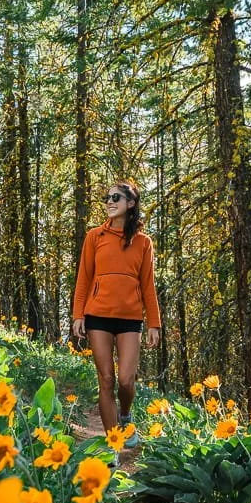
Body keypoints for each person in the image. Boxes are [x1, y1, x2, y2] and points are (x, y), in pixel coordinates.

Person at [71, 180, 161, 446]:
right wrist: (78, 315)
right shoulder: (94, 236)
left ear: (130, 204)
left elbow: (148, 285)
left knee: (126, 380)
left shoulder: (143, 243)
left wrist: (154, 323)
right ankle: (113, 444)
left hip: (130, 319)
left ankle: (124, 415)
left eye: (115, 198)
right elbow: (84, 279)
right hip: (98, 316)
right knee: (106, 379)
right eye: (106, 198)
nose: (109, 202)